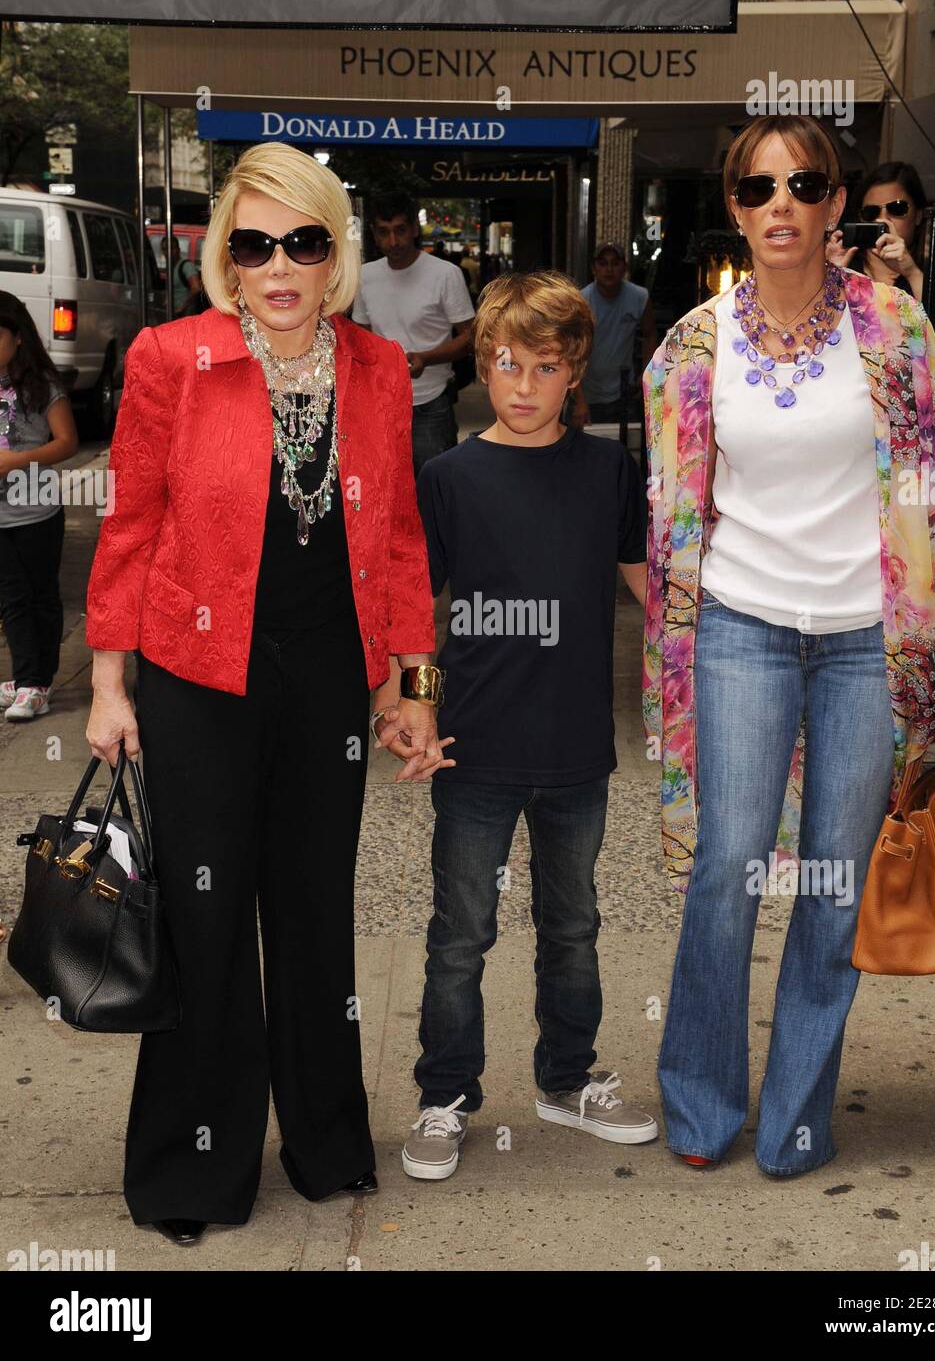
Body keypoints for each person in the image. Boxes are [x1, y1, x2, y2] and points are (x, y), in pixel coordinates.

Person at [84, 143, 451, 1245]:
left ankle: (328, 1140)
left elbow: (397, 541)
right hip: (200, 676)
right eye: (254, 243)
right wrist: (109, 685)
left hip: (326, 674)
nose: (279, 266)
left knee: (310, 911)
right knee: (203, 917)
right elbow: (131, 525)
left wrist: (415, 687)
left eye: (303, 241)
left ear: (335, 253)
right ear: (226, 259)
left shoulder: (377, 368)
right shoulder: (168, 358)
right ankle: (195, 1167)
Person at [644, 116, 935, 1177]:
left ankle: (795, 1113)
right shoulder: (691, 348)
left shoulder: (894, 329)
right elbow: (670, 522)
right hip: (740, 625)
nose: (779, 201)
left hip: (866, 641)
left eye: (804, 182)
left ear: (836, 202)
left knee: (833, 881)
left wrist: (934, 654)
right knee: (727, 866)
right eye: (755, 184)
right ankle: (697, 1099)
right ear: (733, 207)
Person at [377, 269, 657, 1182]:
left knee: (573, 926)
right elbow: (416, 605)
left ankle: (567, 1079)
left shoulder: (610, 471)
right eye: (506, 364)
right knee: (461, 933)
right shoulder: (449, 477)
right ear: (482, 369)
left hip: (578, 752)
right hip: (478, 748)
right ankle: (444, 1095)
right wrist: (412, 704)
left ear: (576, 371)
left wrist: (704, 666)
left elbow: (648, 588)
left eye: (546, 366)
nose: (525, 384)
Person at [352, 193, 475, 476]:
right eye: (384, 232)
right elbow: (362, 335)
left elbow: (471, 337)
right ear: (373, 234)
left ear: (415, 229)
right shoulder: (365, 275)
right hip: (381, 403)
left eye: (400, 230)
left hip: (430, 404)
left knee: (434, 491)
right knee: (385, 489)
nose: (393, 241)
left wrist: (426, 358)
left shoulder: (445, 274)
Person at [0, 292, 79, 722]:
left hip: (36, 511)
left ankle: (35, 683)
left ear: (18, 339)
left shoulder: (41, 386)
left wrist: (16, 461)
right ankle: (28, 677)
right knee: (12, 597)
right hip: (2, 515)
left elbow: (66, 443)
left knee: (39, 595)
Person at [827, 161, 935, 361]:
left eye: (897, 209)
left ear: (918, 215)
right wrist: (828, 274)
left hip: (922, 389)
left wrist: (912, 273)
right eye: (871, 212)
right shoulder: (846, 266)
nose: (882, 220)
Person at [571, 242, 657, 428]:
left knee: (626, 449)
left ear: (624, 267)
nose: (609, 269)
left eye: (615, 263)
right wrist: (580, 401)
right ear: (594, 268)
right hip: (589, 392)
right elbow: (570, 353)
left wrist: (646, 373)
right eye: (603, 263)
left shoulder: (639, 297)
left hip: (624, 393)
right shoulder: (581, 302)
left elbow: (650, 334)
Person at [160, 235, 202, 318]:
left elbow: (196, 288)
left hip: (185, 316)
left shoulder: (186, 266)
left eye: (171, 248)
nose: (168, 252)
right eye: (164, 249)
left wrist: (182, 308)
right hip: (174, 314)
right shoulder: (170, 268)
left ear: (178, 249)